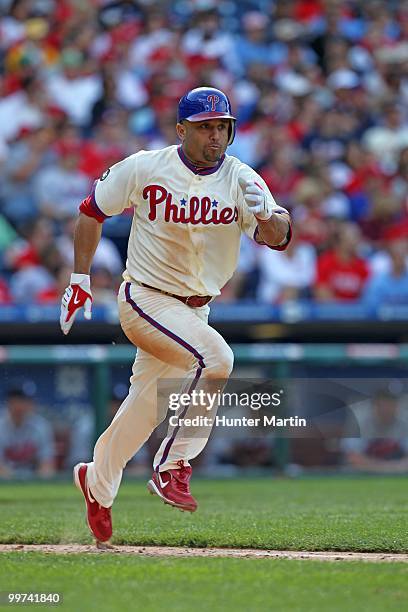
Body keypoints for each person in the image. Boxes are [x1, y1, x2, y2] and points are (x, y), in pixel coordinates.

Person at [60, 86, 292, 544]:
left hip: (194, 310)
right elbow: (91, 210)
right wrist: (79, 280)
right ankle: (174, 465)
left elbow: (281, 237)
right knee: (217, 361)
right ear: (182, 129)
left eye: (222, 127)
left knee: (145, 407)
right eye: (205, 127)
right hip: (145, 297)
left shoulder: (243, 178)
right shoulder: (147, 166)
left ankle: (97, 480)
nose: (215, 136)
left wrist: (266, 214)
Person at [0, 384, 55, 479]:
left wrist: (40, 479)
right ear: (9, 403)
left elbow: (47, 464)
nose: (20, 406)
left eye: (25, 401)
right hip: (5, 481)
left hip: (34, 481)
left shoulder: (41, 426)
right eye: (17, 401)